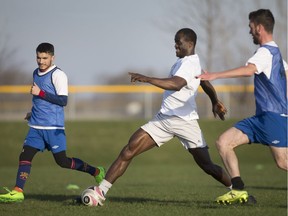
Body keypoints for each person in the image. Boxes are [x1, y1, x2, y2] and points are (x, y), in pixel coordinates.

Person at [92, 28, 231, 206]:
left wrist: (147, 78)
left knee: (207, 166)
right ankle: (100, 192)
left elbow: (176, 84)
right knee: (130, 149)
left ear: (190, 44)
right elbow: (204, 81)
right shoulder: (185, 62)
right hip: (164, 120)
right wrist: (215, 101)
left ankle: (236, 190)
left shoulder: (189, 64)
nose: (175, 45)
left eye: (178, 42)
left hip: (185, 122)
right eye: (175, 42)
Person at [197, 9, 288, 205]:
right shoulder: (276, 54)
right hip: (262, 118)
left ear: (259, 28)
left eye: (250, 27)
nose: (249, 31)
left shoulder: (265, 52)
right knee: (223, 142)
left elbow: (249, 71)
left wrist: (214, 75)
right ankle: (238, 190)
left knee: (283, 162)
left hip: (272, 117)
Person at [0, 43, 105, 203]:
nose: (41, 61)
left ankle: (96, 171)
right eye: (38, 57)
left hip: (53, 128)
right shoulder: (35, 72)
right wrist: (32, 112)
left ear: (52, 57)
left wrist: (40, 92)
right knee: (25, 155)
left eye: (45, 58)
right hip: (36, 127)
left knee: (62, 161)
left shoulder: (58, 75)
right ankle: (18, 191)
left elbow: (63, 100)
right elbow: (38, 99)